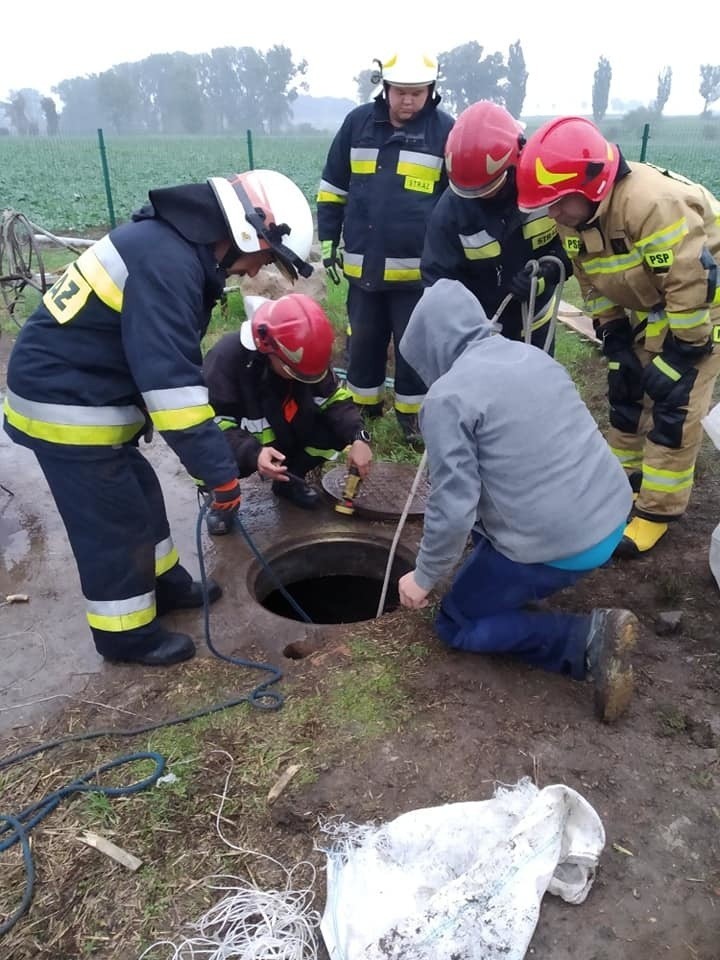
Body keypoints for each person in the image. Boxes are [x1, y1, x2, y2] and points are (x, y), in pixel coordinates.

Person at [3, 168, 314, 666]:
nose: (257, 271)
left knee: (140, 491)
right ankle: (125, 635)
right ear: (243, 232)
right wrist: (221, 474)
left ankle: (164, 585)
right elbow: (174, 390)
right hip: (65, 402)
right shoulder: (169, 264)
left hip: (87, 391)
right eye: (265, 255)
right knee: (113, 519)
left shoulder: (172, 248)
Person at [397, 279, 639, 723]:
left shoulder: (448, 398)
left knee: (457, 624)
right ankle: (516, 576)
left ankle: (585, 639)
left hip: (562, 543)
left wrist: (425, 577)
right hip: (610, 513)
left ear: (430, 347)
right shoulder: (530, 355)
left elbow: (453, 505)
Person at [515, 116, 720, 557]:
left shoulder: (652, 205)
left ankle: (658, 510)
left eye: (556, 202)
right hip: (660, 299)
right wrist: (614, 335)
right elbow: (592, 279)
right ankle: (622, 482)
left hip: (706, 302)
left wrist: (683, 353)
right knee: (627, 388)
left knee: (673, 402)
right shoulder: (574, 215)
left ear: (590, 186)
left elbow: (689, 281)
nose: (551, 213)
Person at [316, 49, 454, 443]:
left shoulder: (445, 132)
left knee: (413, 350)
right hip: (364, 268)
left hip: (417, 273)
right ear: (385, 88)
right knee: (362, 343)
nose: (408, 101)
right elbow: (333, 186)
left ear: (431, 91)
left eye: (417, 92)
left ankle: (412, 422)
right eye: (400, 92)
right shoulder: (357, 124)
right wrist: (329, 239)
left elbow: (457, 202)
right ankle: (365, 410)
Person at [202, 292, 373, 534]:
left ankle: (290, 481)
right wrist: (253, 453)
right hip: (240, 446)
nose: (305, 379)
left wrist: (359, 436)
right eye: (297, 373)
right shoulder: (226, 359)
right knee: (209, 454)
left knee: (335, 430)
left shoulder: (304, 355)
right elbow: (211, 427)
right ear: (268, 349)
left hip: (283, 437)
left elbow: (335, 400)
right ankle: (222, 500)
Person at [421, 100, 571, 350]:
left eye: (489, 186)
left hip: (535, 324)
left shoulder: (547, 190)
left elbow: (576, 246)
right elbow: (437, 279)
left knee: (535, 387)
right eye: (471, 190)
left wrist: (546, 275)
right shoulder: (451, 210)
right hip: (480, 330)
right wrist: (458, 325)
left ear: (516, 160)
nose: (480, 195)